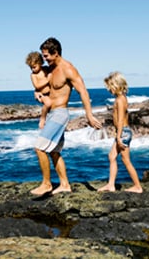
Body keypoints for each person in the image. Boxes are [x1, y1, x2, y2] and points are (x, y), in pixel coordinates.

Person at [31, 37, 103, 195]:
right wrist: (38, 93)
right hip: (52, 113)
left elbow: (83, 91)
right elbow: (46, 88)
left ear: (55, 53)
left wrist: (89, 115)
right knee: (54, 151)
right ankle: (65, 184)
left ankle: (46, 184)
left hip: (60, 114)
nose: (44, 59)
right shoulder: (51, 69)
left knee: (39, 147)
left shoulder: (68, 69)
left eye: (46, 56)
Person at [97, 72, 143, 193]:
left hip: (123, 132)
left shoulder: (120, 100)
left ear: (116, 85)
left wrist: (118, 137)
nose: (109, 90)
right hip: (121, 132)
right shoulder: (120, 98)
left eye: (110, 87)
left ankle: (137, 186)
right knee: (111, 156)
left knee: (125, 160)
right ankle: (111, 185)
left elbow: (121, 119)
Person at [26, 51, 52, 128]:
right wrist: (47, 80)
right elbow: (37, 86)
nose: (33, 69)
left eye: (34, 67)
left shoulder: (46, 69)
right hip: (43, 94)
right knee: (48, 103)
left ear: (40, 63)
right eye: (31, 67)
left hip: (51, 93)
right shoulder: (33, 75)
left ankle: (49, 120)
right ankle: (42, 118)